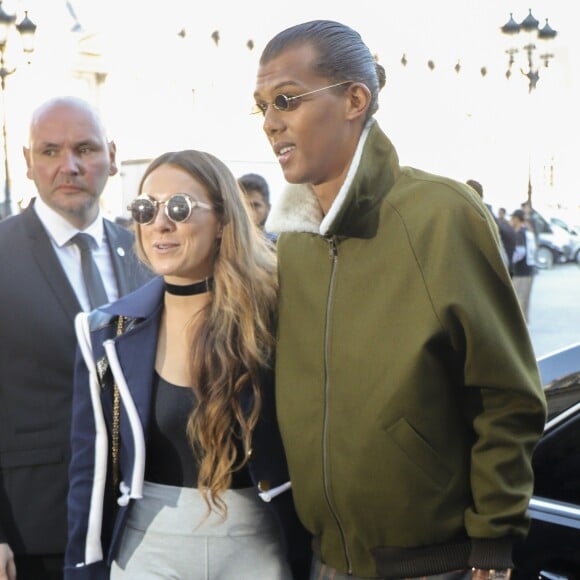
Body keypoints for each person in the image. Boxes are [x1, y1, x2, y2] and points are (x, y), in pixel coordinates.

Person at [252, 20, 546, 580]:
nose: (270, 123)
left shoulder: (442, 214)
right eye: (261, 106)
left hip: (437, 566)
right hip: (325, 562)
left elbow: (506, 395)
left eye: (286, 100)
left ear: (354, 100)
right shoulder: (291, 244)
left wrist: (492, 540)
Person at [65, 150, 311, 579]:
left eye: (178, 207)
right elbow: (91, 470)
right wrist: (81, 567)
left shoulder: (278, 318)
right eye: (145, 209)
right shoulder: (107, 331)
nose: (159, 223)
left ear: (221, 220)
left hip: (259, 546)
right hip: (148, 549)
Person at [0, 96, 152, 580]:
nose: (69, 166)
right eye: (49, 152)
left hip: (140, 520)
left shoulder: (147, 252)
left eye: (85, 149)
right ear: (27, 163)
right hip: (34, 528)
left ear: (110, 154)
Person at [510, 208, 537, 323]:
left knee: (519, 299)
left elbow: (520, 252)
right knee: (525, 299)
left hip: (521, 270)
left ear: (516, 219)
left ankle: (519, 325)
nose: (511, 221)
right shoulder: (528, 231)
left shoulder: (520, 233)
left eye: (512, 218)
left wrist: (510, 261)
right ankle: (525, 322)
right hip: (530, 269)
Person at [238, 172, 277, 242]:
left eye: (255, 205)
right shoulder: (224, 242)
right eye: (243, 205)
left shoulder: (277, 244)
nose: (249, 211)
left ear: (268, 208)